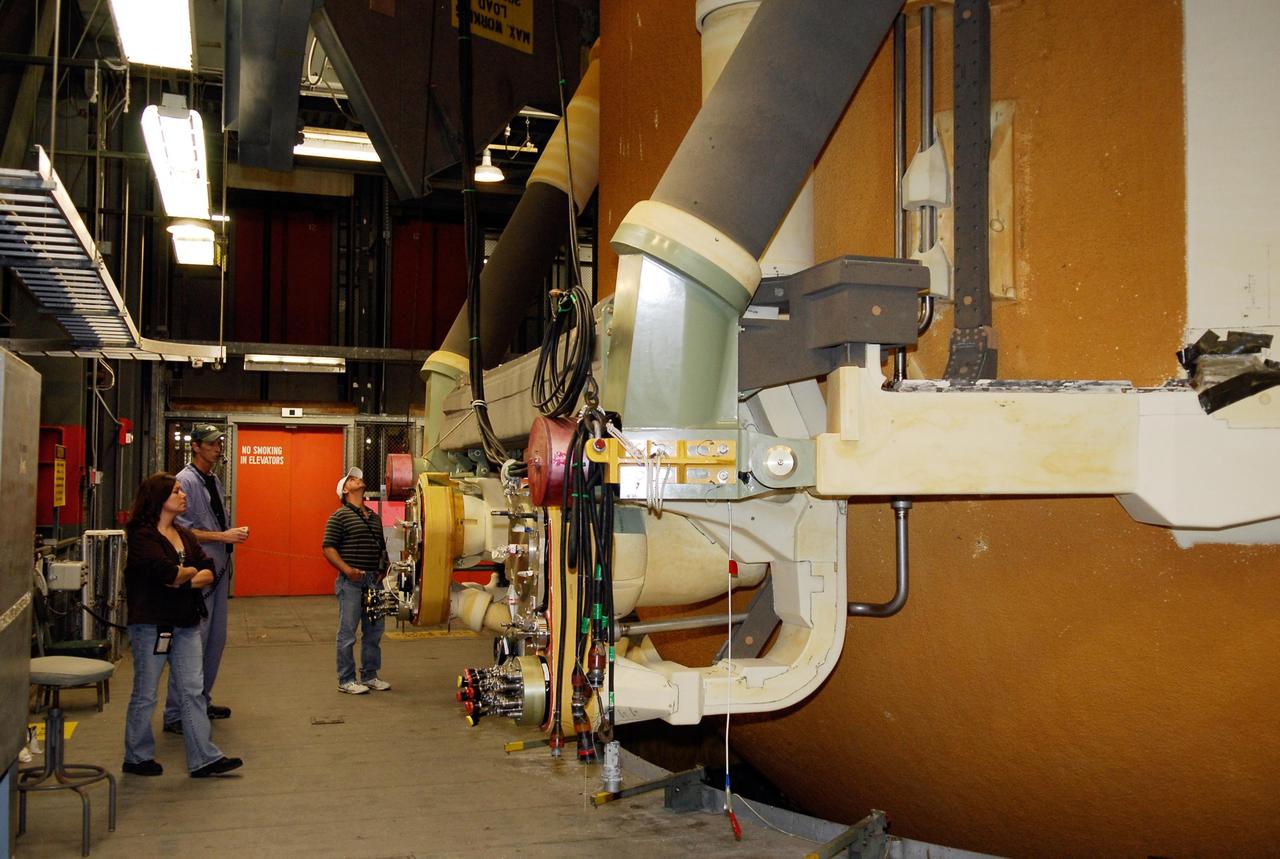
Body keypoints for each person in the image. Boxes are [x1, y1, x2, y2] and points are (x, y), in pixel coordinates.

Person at [122, 472, 243, 778]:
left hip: (186, 622)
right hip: (152, 625)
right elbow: (166, 574)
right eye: (176, 491)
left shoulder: (185, 535)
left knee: (192, 690)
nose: (183, 495)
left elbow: (208, 570)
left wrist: (183, 576)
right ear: (159, 498)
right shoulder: (142, 536)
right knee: (146, 693)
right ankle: (136, 756)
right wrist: (187, 573)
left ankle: (204, 758)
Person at [162, 423, 247, 735]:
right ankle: (176, 712)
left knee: (214, 639)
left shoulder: (211, 479)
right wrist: (222, 536)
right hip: (199, 570)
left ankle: (199, 701)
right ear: (195, 446)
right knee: (193, 640)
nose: (217, 448)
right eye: (211, 443)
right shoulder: (185, 481)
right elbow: (180, 529)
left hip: (217, 566)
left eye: (219, 443)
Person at [322, 466, 392, 694]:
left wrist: (384, 567)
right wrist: (347, 570)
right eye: (351, 479)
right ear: (345, 491)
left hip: (374, 581)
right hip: (351, 582)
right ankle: (346, 680)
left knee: (374, 631)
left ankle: (370, 675)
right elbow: (328, 547)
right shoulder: (339, 516)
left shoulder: (374, 517)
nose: (357, 480)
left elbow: (381, 546)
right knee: (347, 632)